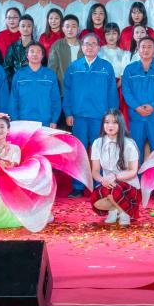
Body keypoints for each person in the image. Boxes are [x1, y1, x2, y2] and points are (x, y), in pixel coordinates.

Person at [63, 34, 120, 194]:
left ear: (99, 47)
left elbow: (112, 92)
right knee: (79, 152)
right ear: (82, 47)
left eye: (93, 44)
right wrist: (68, 112)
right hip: (79, 116)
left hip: (100, 117)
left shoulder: (106, 67)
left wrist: (112, 116)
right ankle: (78, 187)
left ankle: (100, 185)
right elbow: (67, 92)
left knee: (100, 152)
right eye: (87, 44)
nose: (90, 47)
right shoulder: (73, 67)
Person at [89, 110, 142, 225]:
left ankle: (125, 212)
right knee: (95, 201)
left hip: (129, 186)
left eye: (114, 122)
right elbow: (95, 171)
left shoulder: (129, 144)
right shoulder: (97, 143)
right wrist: (102, 180)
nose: (110, 126)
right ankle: (114, 209)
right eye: (107, 122)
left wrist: (115, 176)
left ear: (120, 124)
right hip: (109, 184)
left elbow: (133, 171)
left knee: (113, 190)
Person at [123, 36, 154, 158]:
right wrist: (137, 107)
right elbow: (127, 92)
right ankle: (136, 171)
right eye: (143, 47)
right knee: (135, 152)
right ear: (138, 49)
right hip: (136, 116)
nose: (146, 50)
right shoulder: (130, 69)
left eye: (149, 47)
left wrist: (153, 106)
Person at [12, 42, 61, 127]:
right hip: (23, 122)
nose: (35, 54)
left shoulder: (50, 75)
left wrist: (54, 120)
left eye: (38, 51)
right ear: (27, 55)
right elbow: (13, 100)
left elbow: (56, 100)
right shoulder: (19, 75)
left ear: (42, 56)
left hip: (45, 122)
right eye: (32, 51)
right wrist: (15, 121)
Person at [48, 15, 83, 85]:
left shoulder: (84, 46)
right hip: (63, 87)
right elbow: (51, 69)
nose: (70, 29)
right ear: (63, 29)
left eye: (73, 26)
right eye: (67, 26)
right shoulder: (57, 46)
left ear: (78, 29)